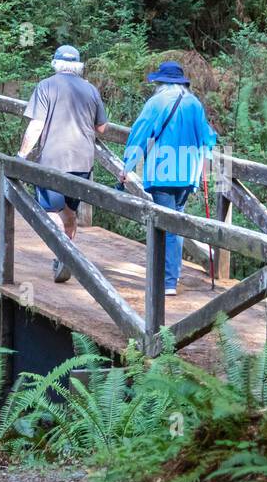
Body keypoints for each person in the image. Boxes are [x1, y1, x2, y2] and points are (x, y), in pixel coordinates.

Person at [120, 61, 218, 296]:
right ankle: (169, 278)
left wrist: (127, 166)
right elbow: (208, 136)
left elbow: (141, 134)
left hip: (163, 172)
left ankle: (167, 281)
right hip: (187, 173)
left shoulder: (156, 102)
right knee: (177, 223)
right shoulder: (194, 103)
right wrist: (206, 155)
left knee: (166, 226)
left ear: (161, 83)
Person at [17, 45, 107, 283]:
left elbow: (37, 124)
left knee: (48, 210)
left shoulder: (46, 86)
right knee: (69, 210)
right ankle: (65, 253)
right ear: (78, 65)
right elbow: (102, 128)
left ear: (55, 63)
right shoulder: (90, 89)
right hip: (83, 160)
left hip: (53, 160)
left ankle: (63, 253)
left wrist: (21, 155)